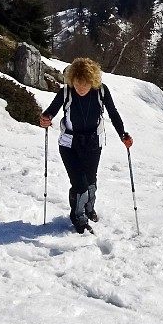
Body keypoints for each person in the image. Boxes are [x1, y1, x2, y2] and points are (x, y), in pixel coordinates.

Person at [39, 57, 132, 233]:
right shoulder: (66, 92)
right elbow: (51, 111)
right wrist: (45, 118)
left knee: (90, 180)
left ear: (93, 82)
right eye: (77, 84)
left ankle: (89, 208)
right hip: (69, 144)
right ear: (72, 80)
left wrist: (123, 134)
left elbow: (113, 113)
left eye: (85, 84)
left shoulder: (101, 91)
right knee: (79, 184)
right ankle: (77, 217)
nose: (81, 88)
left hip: (92, 143)